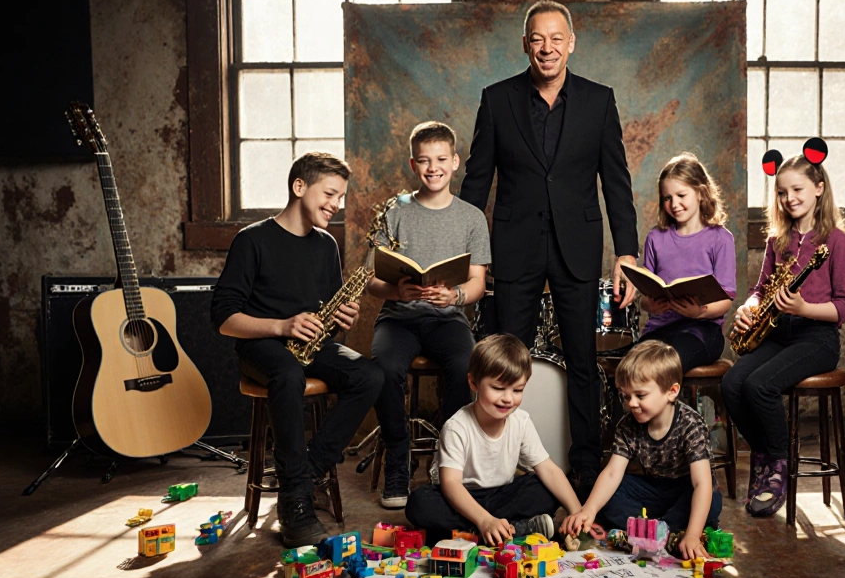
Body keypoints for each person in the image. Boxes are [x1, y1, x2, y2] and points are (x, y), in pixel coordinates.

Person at [460, 0, 640, 492]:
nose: (547, 48)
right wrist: (466, 254)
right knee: (504, 361)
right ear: (525, 44)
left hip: (577, 245)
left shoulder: (599, 100)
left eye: (556, 38)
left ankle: (585, 465)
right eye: (538, 38)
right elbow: (476, 183)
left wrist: (626, 253)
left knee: (582, 361)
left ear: (571, 43)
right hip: (513, 246)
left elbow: (616, 183)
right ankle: (495, 466)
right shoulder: (497, 99)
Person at [211, 152, 384, 547]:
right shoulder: (252, 239)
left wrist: (341, 320)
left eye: (341, 197)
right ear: (299, 186)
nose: (336, 204)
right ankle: (296, 502)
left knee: (370, 374)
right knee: (288, 372)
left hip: (308, 348)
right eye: (330, 194)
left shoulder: (326, 245)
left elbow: (326, 327)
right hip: (261, 348)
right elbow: (223, 318)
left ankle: (305, 476)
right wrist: (282, 325)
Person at [720, 143, 845, 517]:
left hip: (817, 338)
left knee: (760, 385)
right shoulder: (776, 241)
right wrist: (749, 308)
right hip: (778, 333)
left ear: (819, 188)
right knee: (731, 384)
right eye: (781, 192)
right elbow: (759, 289)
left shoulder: (838, 241)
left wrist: (804, 308)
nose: (789, 198)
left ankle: (776, 466)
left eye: (797, 189)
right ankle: (766, 454)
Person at [366, 122, 490, 509]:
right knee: (384, 367)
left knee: (465, 364)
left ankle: (447, 459)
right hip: (398, 318)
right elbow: (370, 280)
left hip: (446, 318)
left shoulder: (471, 217)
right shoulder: (395, 210)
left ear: (455, 162)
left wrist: (454, 295)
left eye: (440, 159)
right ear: (412, 164)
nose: (433, 168)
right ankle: (398, 460)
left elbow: (477, 283)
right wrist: (396, 291)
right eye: (423, 161)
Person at [405, 334, 585, 544]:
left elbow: (549, 469)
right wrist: (484, 520)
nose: (508, 398)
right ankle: (507, 529)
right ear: (473, 382)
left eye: (517, 390)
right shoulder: (457, 427)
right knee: (420, 503)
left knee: (545, 488)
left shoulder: (521, 422)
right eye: (498, 388)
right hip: (462, 498)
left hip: (502, 496)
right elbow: (451, 484)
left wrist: (578, 512)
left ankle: (480, 532)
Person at [562, 341, 721, 561]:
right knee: (607, 495)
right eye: (626, 396)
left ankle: (661, 529)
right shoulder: (627, 425)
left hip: (684, 488)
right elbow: (612, 473)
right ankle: (664, 529)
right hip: (652, 489)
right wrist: (588, 510)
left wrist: (693, 535)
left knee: (711, 500)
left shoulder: (690, 424)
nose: (632, 404)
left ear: (671, 392)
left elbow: (701, 483)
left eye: (640, 396)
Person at [634, 152, 736, 375]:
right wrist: (651, 306)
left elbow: (726, 299)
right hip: (659, 328)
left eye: (681, 195)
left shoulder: (721, 239)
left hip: (702, 330)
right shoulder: (655, 238)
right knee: (632, 365)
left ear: (700, 193)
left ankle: (672, 400)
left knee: (662, 366)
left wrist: (698, 312)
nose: (674, 204)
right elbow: (645, 297)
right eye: (667, 198)